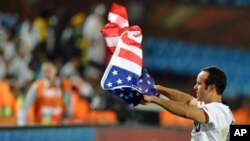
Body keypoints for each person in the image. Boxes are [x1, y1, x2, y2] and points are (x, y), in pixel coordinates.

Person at [143, 66, 234, 141]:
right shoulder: (210, 107)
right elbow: (188, 101)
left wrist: (156, 100)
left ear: (211, 88)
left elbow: (187, 112)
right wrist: (158, 88)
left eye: (199, 84)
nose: (195, 87)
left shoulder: (219, 111)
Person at [18, 62, 72, 126]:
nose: (47, 73)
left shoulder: (63, 86)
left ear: (55, 70)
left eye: (49, 70)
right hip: (42, 128)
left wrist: (65, 120)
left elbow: (68, 106)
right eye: (45, 71)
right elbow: (25, 106)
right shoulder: (37, 86)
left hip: (58, 127)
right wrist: (21, 125)